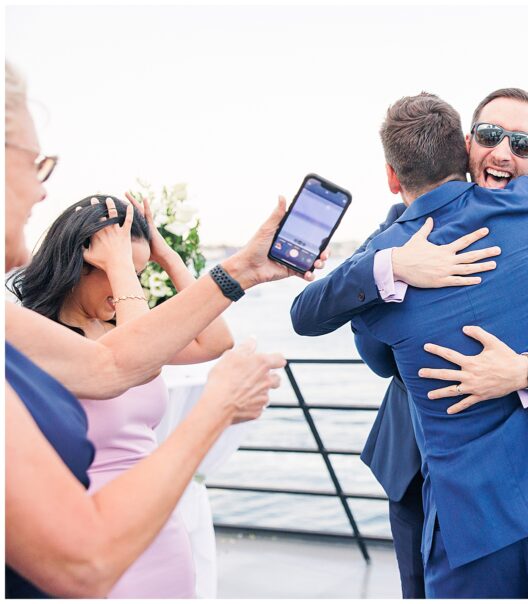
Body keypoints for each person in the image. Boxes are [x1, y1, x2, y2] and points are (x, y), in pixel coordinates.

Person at [290, 88, 528, 597]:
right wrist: (395, 266)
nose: (502, 153)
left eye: (521, 144)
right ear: (465, 145)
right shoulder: (394, 243)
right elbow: (383, 363)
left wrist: (526, 370)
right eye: (491, 137)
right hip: (428, 486)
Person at [4, 62, 321, 597]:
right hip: (102, 541)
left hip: (155, 535)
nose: (41, 191)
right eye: (34, 164)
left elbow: (120, 363)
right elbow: (82, 560)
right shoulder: (37, 331)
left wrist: (233, 265)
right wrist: (216, 407)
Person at [8, 193, 235, 597]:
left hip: (161, 533)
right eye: (119, 271)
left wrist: (164, 255)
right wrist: (121, 265)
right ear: (79, 263)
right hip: (96, 533)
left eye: (139, 273)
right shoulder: (40, 339)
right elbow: (135, 359)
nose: (128, 286)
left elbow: (217, 340)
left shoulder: (121, 334)